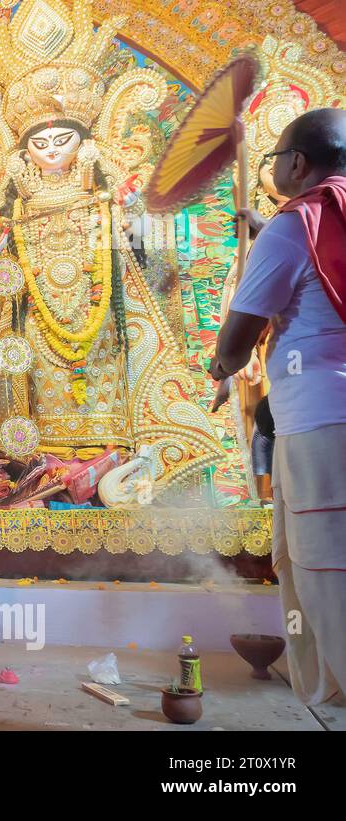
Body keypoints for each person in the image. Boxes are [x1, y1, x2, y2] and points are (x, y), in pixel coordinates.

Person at [212, 107, 346, 706]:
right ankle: (315, 671)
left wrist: (221, 367)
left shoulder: (299, 224)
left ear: (296, 163)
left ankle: (334, 681)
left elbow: (237, 338)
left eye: (274, 161)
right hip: (321, 415)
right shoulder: (315, 221)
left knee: (318, 562)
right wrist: (265, 225)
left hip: (320, 419)